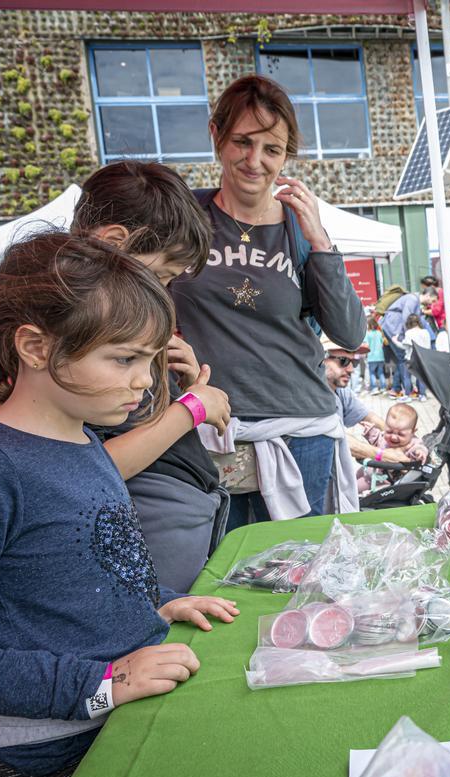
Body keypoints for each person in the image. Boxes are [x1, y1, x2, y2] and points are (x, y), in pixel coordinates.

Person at [0, 233, 237, 777]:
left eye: (149, 360)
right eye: (123, 358)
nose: (145, 381)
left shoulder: (85, 441)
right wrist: (101, 681)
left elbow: (86, 565)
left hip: (118, 724)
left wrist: (157, 599)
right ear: (35, 346)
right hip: (48, 760)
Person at [170, 75, 366, 531]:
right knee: (223, 574)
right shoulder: (185, 218)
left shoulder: (299, 227)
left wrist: (319, 238)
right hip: (208, 427)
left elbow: (350, 333)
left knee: (299, 579)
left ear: (286, 156)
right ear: (216, 136)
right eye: (242, 142)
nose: (255, 161)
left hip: (302, 430)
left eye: (272, 149)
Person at [71, 160, 233, 592]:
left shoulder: (115, 321)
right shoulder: (78, 333)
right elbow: (92, 466)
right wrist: (192, 408)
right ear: (113, 243)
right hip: (148, 531)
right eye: (160, 275)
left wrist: (174, 382)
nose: (162, 290)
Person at [319, 337, 387, 514]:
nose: (350, 369)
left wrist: (403, 438)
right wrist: (386, 455)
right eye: (343, 361)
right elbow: (342, 440)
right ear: (321, 358)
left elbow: (370, 417)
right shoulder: (315, 394)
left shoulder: (340, 391)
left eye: (354, 363)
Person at [355, 403, 427, 494]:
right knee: (352, 477)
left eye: (400, 434)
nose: (393, 437)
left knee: (352, 488)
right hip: (368, 469)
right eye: (389, 431)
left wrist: (420, 452)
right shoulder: (385, 439)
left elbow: (419, 446)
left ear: (413, 432)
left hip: (379, 480)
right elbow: (377, 439)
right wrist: (370, 430)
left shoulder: (412, 443)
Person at [380, 289, 420, 398]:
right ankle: (407, 390)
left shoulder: (409, 298)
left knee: (400, 360)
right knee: (403, 359)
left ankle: (396, 388)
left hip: (390, 325)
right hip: (394, 327)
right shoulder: (413, 298)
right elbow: (406, 316)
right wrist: (408, 334)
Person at [403, 313, 430, 400]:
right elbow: (428, 346)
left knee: (407, 376)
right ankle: (422, 395)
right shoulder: (425, 332)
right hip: (423, 357)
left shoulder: (408, 333)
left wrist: (395, 341)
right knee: (421, 377)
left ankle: (408, 395)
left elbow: (406, 347)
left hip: (410, 357)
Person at [364, 316, 387, 394]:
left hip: (371, 357)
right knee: (380, 372)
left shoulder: (367, 334)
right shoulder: (379, 333)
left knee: (372, 373)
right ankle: (383, 388)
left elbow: (366, 345)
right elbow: (383, 343)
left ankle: (374, 388)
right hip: (380, 356)